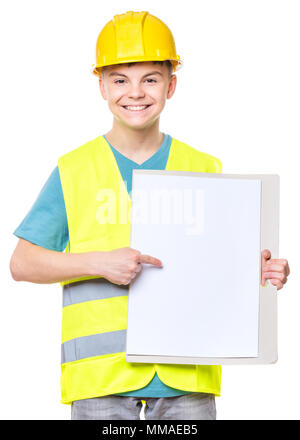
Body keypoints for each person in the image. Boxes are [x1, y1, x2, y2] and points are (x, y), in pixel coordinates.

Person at [9, 10, 290, 421]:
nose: (135, 92)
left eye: (150, 79)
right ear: (102, 85)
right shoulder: (74, 169)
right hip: (101, 380)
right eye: (120, 79)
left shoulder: (204, 167)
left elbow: (216, 267)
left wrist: (261, 273)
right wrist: (97, 263)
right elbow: (22, 263)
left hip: (185, 374)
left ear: (171, 85)